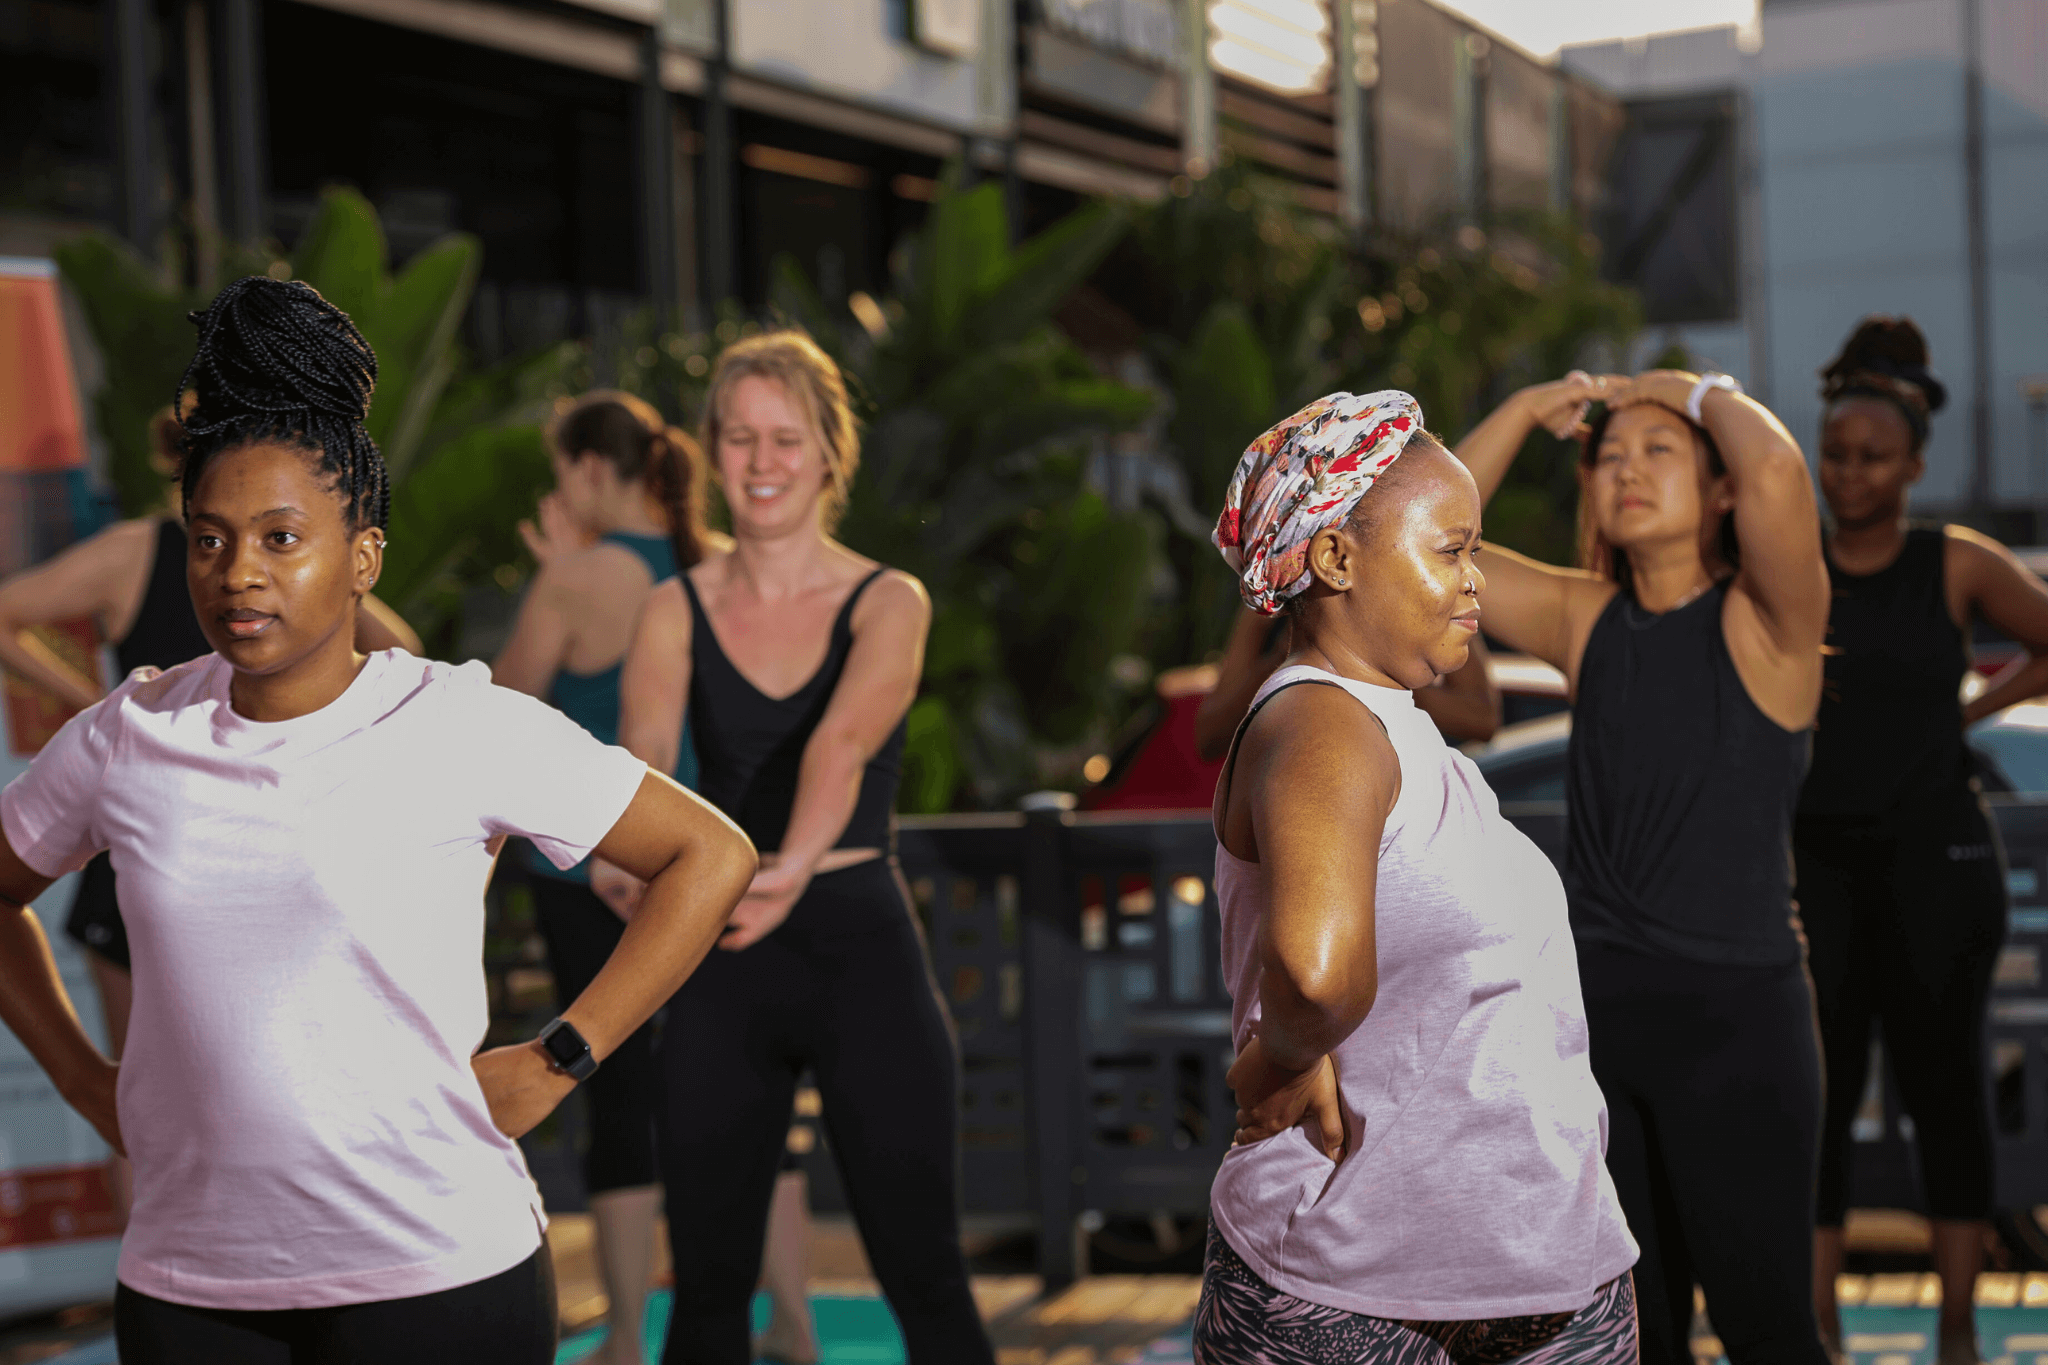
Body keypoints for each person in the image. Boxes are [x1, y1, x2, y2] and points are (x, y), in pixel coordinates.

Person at [0, 276, 756, 1365]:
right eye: (209, 541)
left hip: (438, 1276)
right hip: (190, 1287)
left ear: (363, 556)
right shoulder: (131, 732)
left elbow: (709, 854)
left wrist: (559, 1057)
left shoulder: (458, 722)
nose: (239, 573)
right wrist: (84, 1080)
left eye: (279, 537)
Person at [1196, 390, 1637, 1365]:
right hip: (1357, 1293)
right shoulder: (1322, 723)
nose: (1475, 581)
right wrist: (1277, 1064)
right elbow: (1314, 971)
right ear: (1335, 559)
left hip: (1534, 1279)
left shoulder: (1396, 724)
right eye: (1450, 551)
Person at [614, 329, 996, 1365]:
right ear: (711, 453)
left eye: (785, 438)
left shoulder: (888, 599)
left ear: (829, 454)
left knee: (925, 1277)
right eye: (738, 438)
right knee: (705, 1293)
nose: (761, 460)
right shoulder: (670, 607)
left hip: (853, 940)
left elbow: (844, 741)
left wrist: (782, 871)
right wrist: (628, 865)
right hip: (717, 953)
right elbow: (642, 759)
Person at [1454, 369, 1829, 1365]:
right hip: (1598, 1029)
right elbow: (1429, 543)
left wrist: (1689, 390)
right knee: (1631, 1337)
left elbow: (1780, 473)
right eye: (1608, 456)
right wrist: (1520, 412)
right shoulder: (1587, 620)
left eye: (1657, 451)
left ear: (1716, 491)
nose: (1623, 469)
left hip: (1738, 1029)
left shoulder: (1767, 628)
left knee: (1769, 1333)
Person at [0, 405, 420, 1187]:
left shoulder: (142, 551)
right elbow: (402, 649)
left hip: (233, 840)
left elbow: (402, 652)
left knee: (164, 1106)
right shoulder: (141, 551)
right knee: (144, 1107)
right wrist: (92, 698)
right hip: (155, 843)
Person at [1799, 317, 2048, 1365]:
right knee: (1814, 1095)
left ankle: (1954, 1327)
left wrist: (1963, 716)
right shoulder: (1789, 568)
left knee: (1945, 1089)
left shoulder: (1950, 561)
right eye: (1834, 454)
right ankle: (1813, 1327)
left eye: (1870, 458)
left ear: (1911, 465)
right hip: (1814, 862)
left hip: (1936, 864)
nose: (1847, 475)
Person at [492, 391, 712, 1365]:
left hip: (595, 872)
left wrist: (556, 579)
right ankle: (768, 1312)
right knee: (717, 1089)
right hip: (702, 865)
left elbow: (493, 716)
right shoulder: (709, 562)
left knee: (612, 1091)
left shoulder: (581, 580)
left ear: (588, 471)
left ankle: (624, 1335)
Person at [1194, 606, 1500, 761]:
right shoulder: (1270, 593)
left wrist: (1369, 667)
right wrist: (1289, 657)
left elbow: (1481, 719)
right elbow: (1210, 737)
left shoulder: (1415, 579)